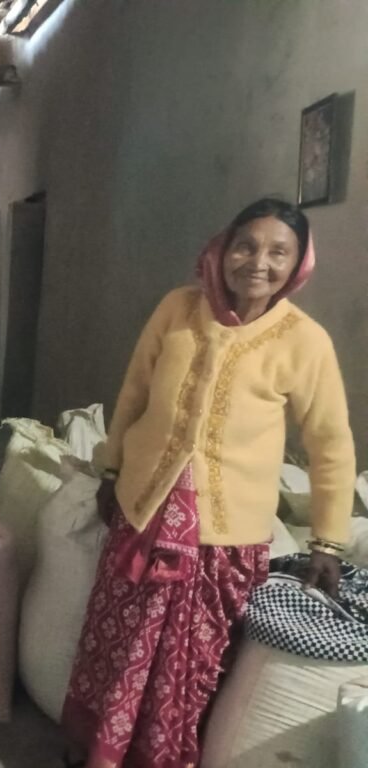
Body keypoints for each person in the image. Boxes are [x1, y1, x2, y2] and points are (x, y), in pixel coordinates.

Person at [62, 198, 356, 768]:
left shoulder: (304, 340)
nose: (258, 263)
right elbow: (135, 391)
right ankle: (96, 749)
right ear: (223, 249)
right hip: (143, 511)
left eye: (278, 252)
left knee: (187, 663)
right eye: (246, 246)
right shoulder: (178, 308)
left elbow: (330, 444)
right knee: (118, 642)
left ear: (297, 264)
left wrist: (328, 540)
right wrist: (112, 467)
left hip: (222, 538)